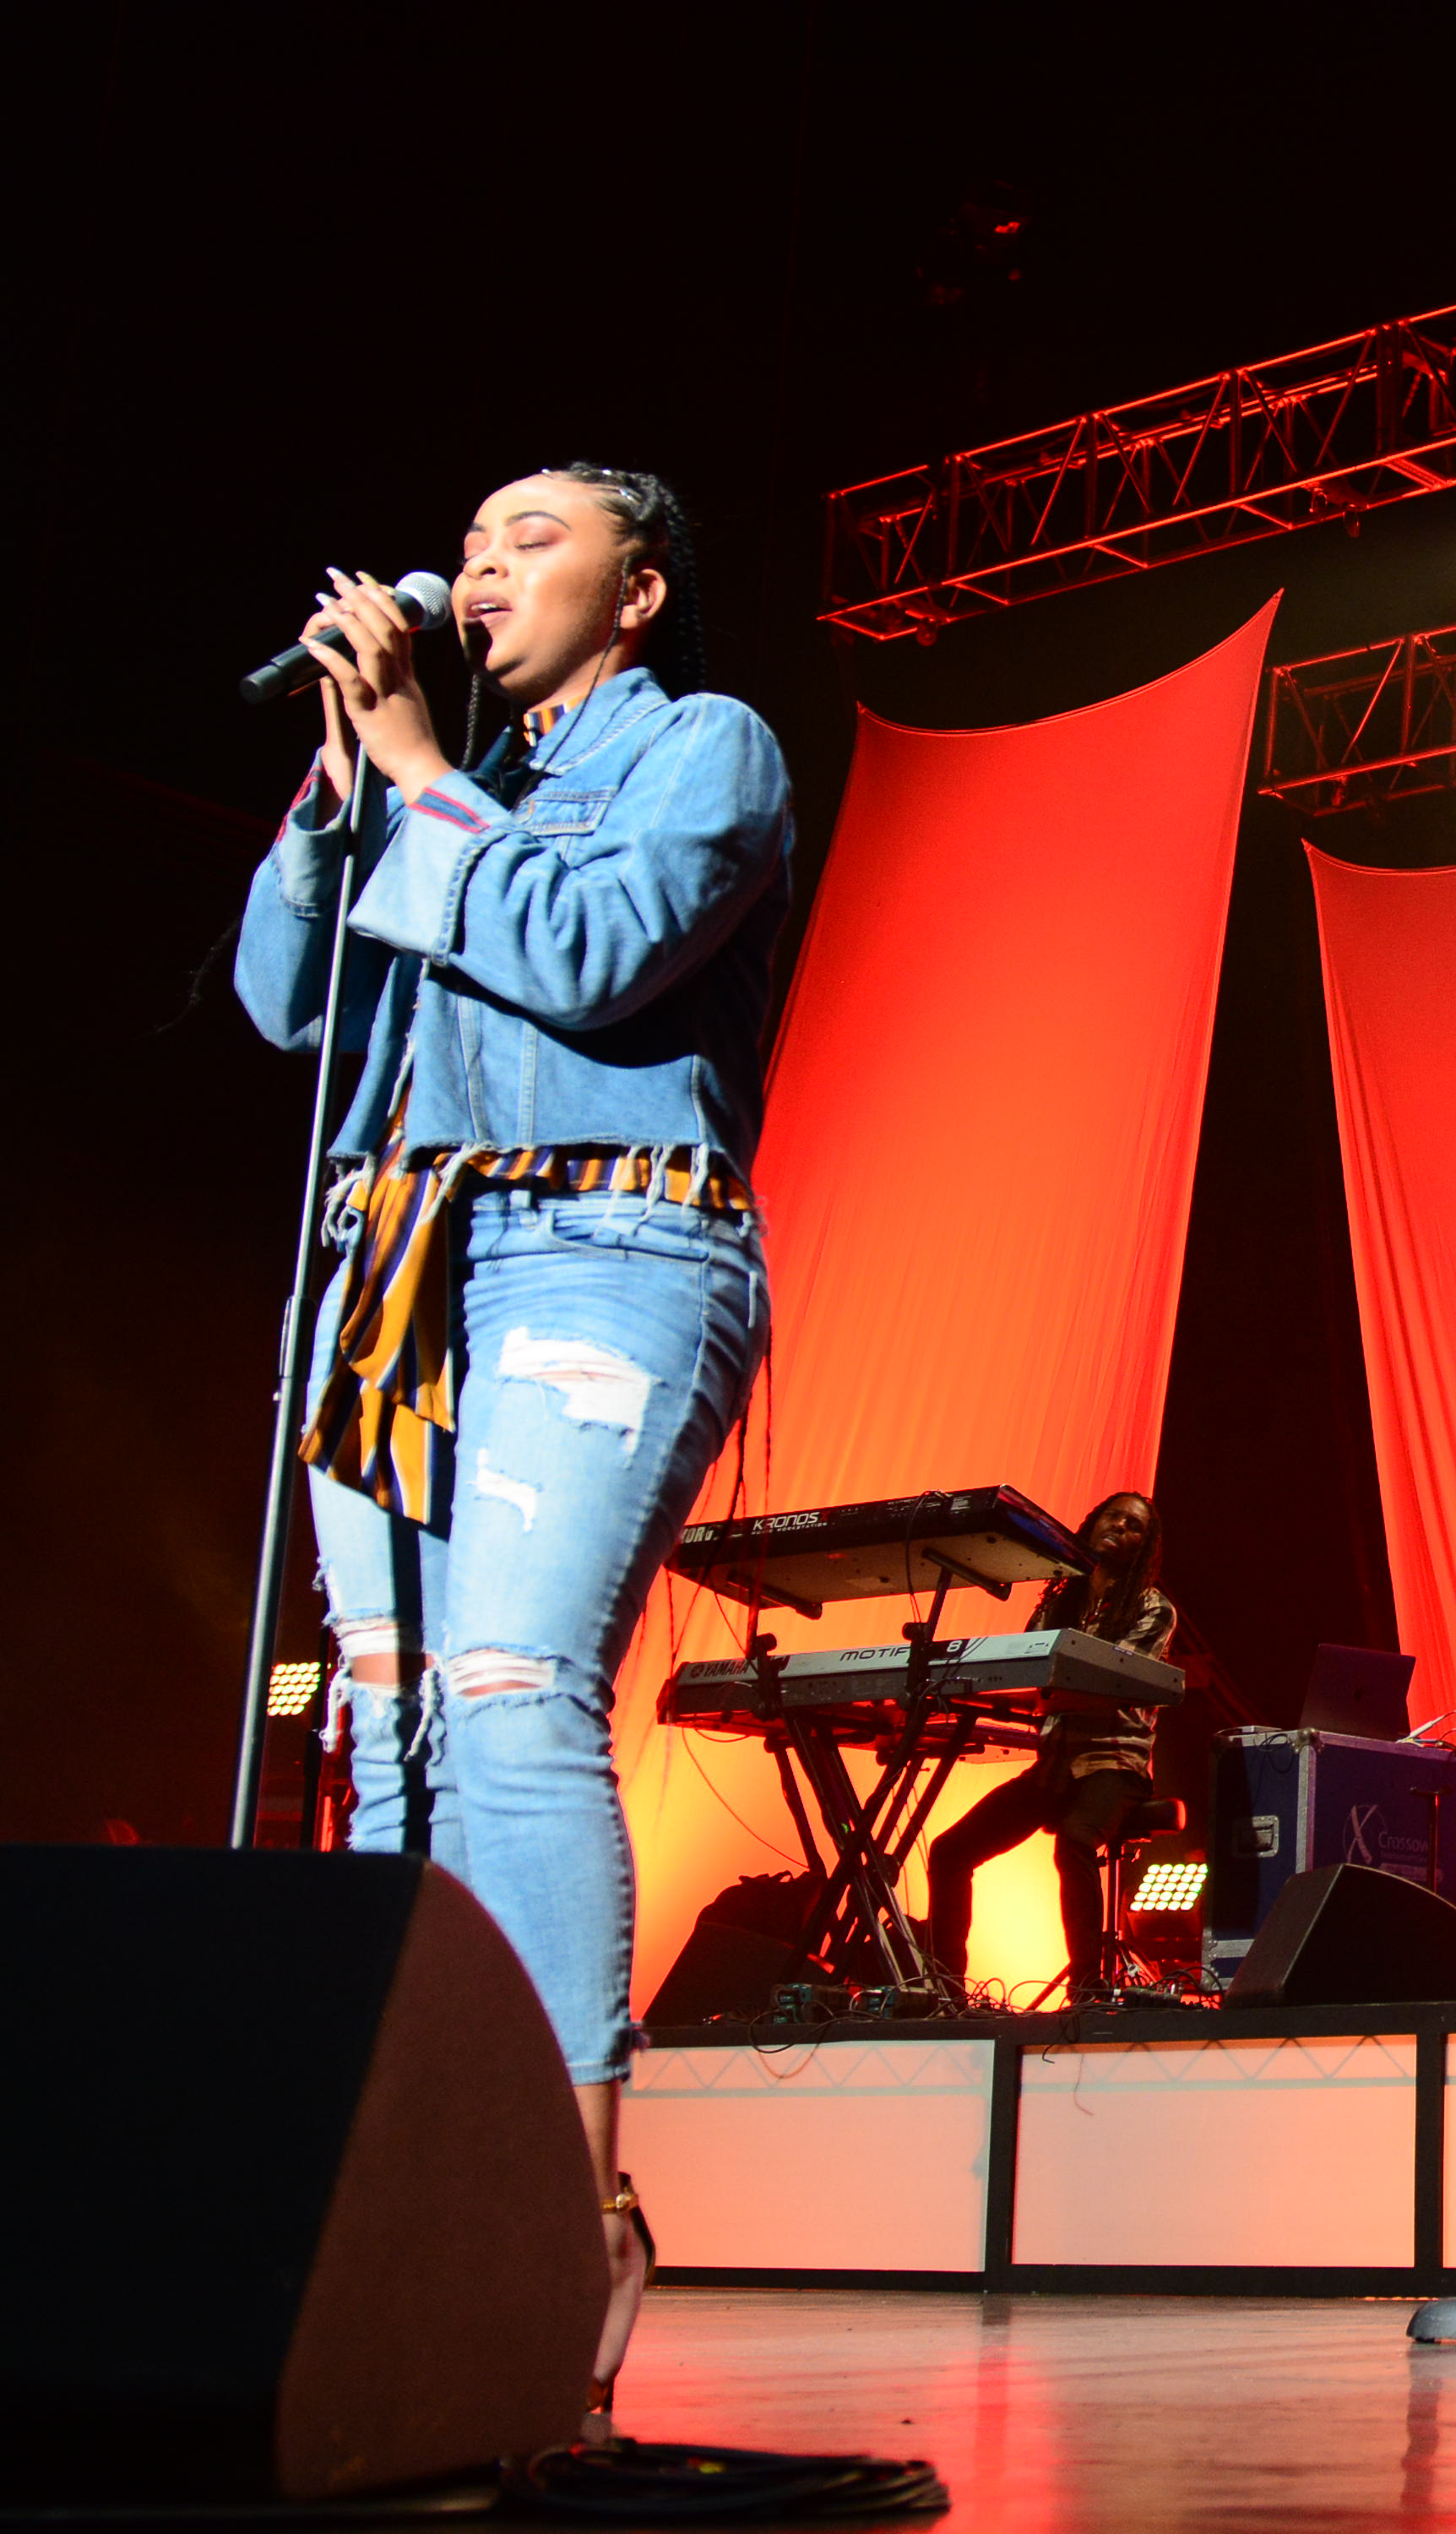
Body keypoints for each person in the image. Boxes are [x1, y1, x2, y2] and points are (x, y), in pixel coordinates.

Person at [236, 465, 790, 2439]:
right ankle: (398, 2178)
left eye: (531, 537)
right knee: (386, 1722)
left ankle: (570, 2212)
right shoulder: (421, 777)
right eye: (470, 542)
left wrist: (416, 771)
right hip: (392, 1269)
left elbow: (589, 953)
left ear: (636, 592)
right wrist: (345, 783)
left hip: (600, 1243)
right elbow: (282, 1000)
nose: (480, 566)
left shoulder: (703, 748)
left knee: (508, 1688)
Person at [923, 1492, 1176, 2000]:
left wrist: (1049, 1689)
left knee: (1075, 1841)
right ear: (1092, 1523)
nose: (1121, 1528)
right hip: (1054, 1766)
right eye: (1114, 1517)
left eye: (1135, 1527)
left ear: (1144, 1547)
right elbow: (1027, 1671)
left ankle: (1087, 1991)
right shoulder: (1057, 1605)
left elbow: (1116, 1684)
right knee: (950, 1851)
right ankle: (946, 1992)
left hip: (1113, 1763)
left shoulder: (1153, 1608)